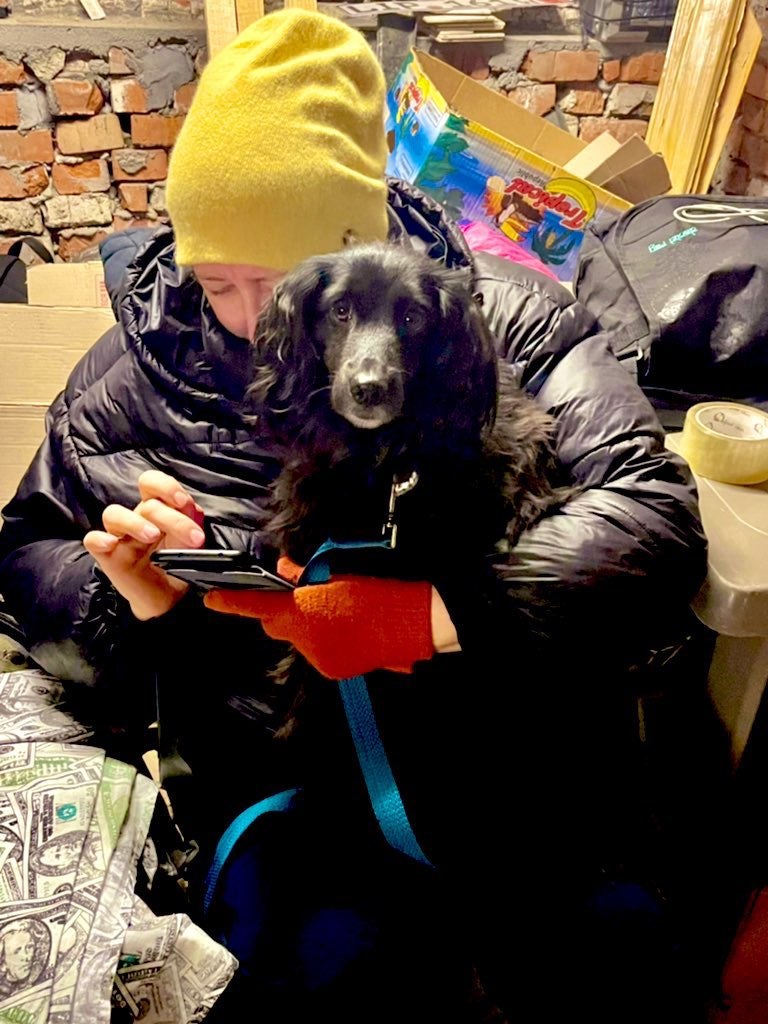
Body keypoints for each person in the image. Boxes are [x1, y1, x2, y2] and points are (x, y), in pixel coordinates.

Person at [0, 8, 718, 1022]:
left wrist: (433, 611)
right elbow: (22, 554)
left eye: (282, 287)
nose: (248, 322)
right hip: (282, 782)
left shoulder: (506, 320)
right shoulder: (133, 374)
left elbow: (653, 517)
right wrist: (130, 598)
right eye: (217, 283)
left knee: (612, 961)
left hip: (503, 758)